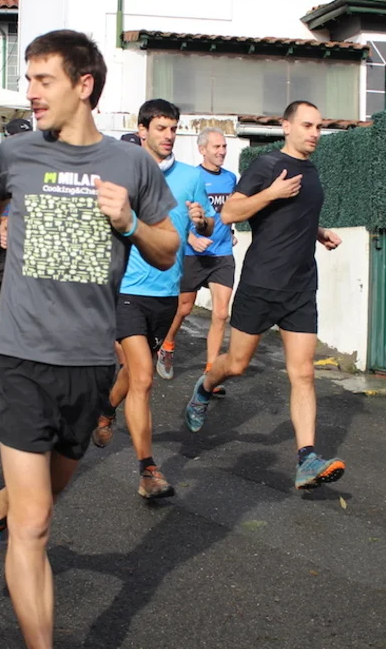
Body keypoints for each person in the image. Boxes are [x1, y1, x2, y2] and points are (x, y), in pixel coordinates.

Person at [0, 29, 178, 649]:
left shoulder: (132, 165)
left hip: (91, 362)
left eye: (43, 80)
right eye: (29, 80)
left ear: (84, 84)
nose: (31, 92)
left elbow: (167, 248)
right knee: (38, 521)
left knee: (36, 500)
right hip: (20, 355)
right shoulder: (18, 152)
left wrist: (129, 221)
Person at [182, 100, 346, 491]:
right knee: (237, 364)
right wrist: (271, 193)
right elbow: (231, 213)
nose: (314, 133)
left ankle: (307, 459)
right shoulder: (267, 165)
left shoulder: (312, 170)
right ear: (286, 126)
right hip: (262, 282)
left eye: (319, 127)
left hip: (301, 285)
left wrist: (318, 232)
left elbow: (295, 215)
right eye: (307, 125)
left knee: (303, 372)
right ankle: (204, 387)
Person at [92, 99, 215, 500]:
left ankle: (106, 408)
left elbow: (209, 224)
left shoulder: (191, 177)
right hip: (126, 290)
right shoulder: (121, 174)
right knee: (143, 376)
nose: (168, 135)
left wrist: (202, 221)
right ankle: (148, 470)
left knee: (134, 373)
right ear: (142, 130)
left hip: (167, 293)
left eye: (173, 128)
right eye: (161, 128)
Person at [156, 127, 237, 389]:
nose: (222, 151)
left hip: (222, 253)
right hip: (193, 254)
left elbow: (227, 212)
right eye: (216, 147)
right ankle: (167, 346)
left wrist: (231, 232)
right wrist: (191, 238)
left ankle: (211, 373)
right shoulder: (192, 178)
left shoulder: (231, 178)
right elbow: (176, 215)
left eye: (224, 146)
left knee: (221, 314)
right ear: (202, 150)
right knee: (184, 308)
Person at [0, 118, 35, 331]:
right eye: (18, 139)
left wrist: (8, 221)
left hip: (27, 254)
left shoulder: (40, 170)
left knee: (24, 317)